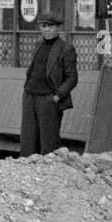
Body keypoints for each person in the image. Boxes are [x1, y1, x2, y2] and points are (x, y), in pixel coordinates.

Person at [19, 12, 78, 157]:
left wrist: (57, 97)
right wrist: (26, 91)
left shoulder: (65, 48)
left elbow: (72, 77)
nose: (46, 30)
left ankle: (48, 174)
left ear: (57, 28)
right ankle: (28, 172)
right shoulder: (39, 44)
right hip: (30, 96)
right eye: (43, 26)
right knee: (28, 139)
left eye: (50, 26)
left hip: (48, 99)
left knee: (49, 142)